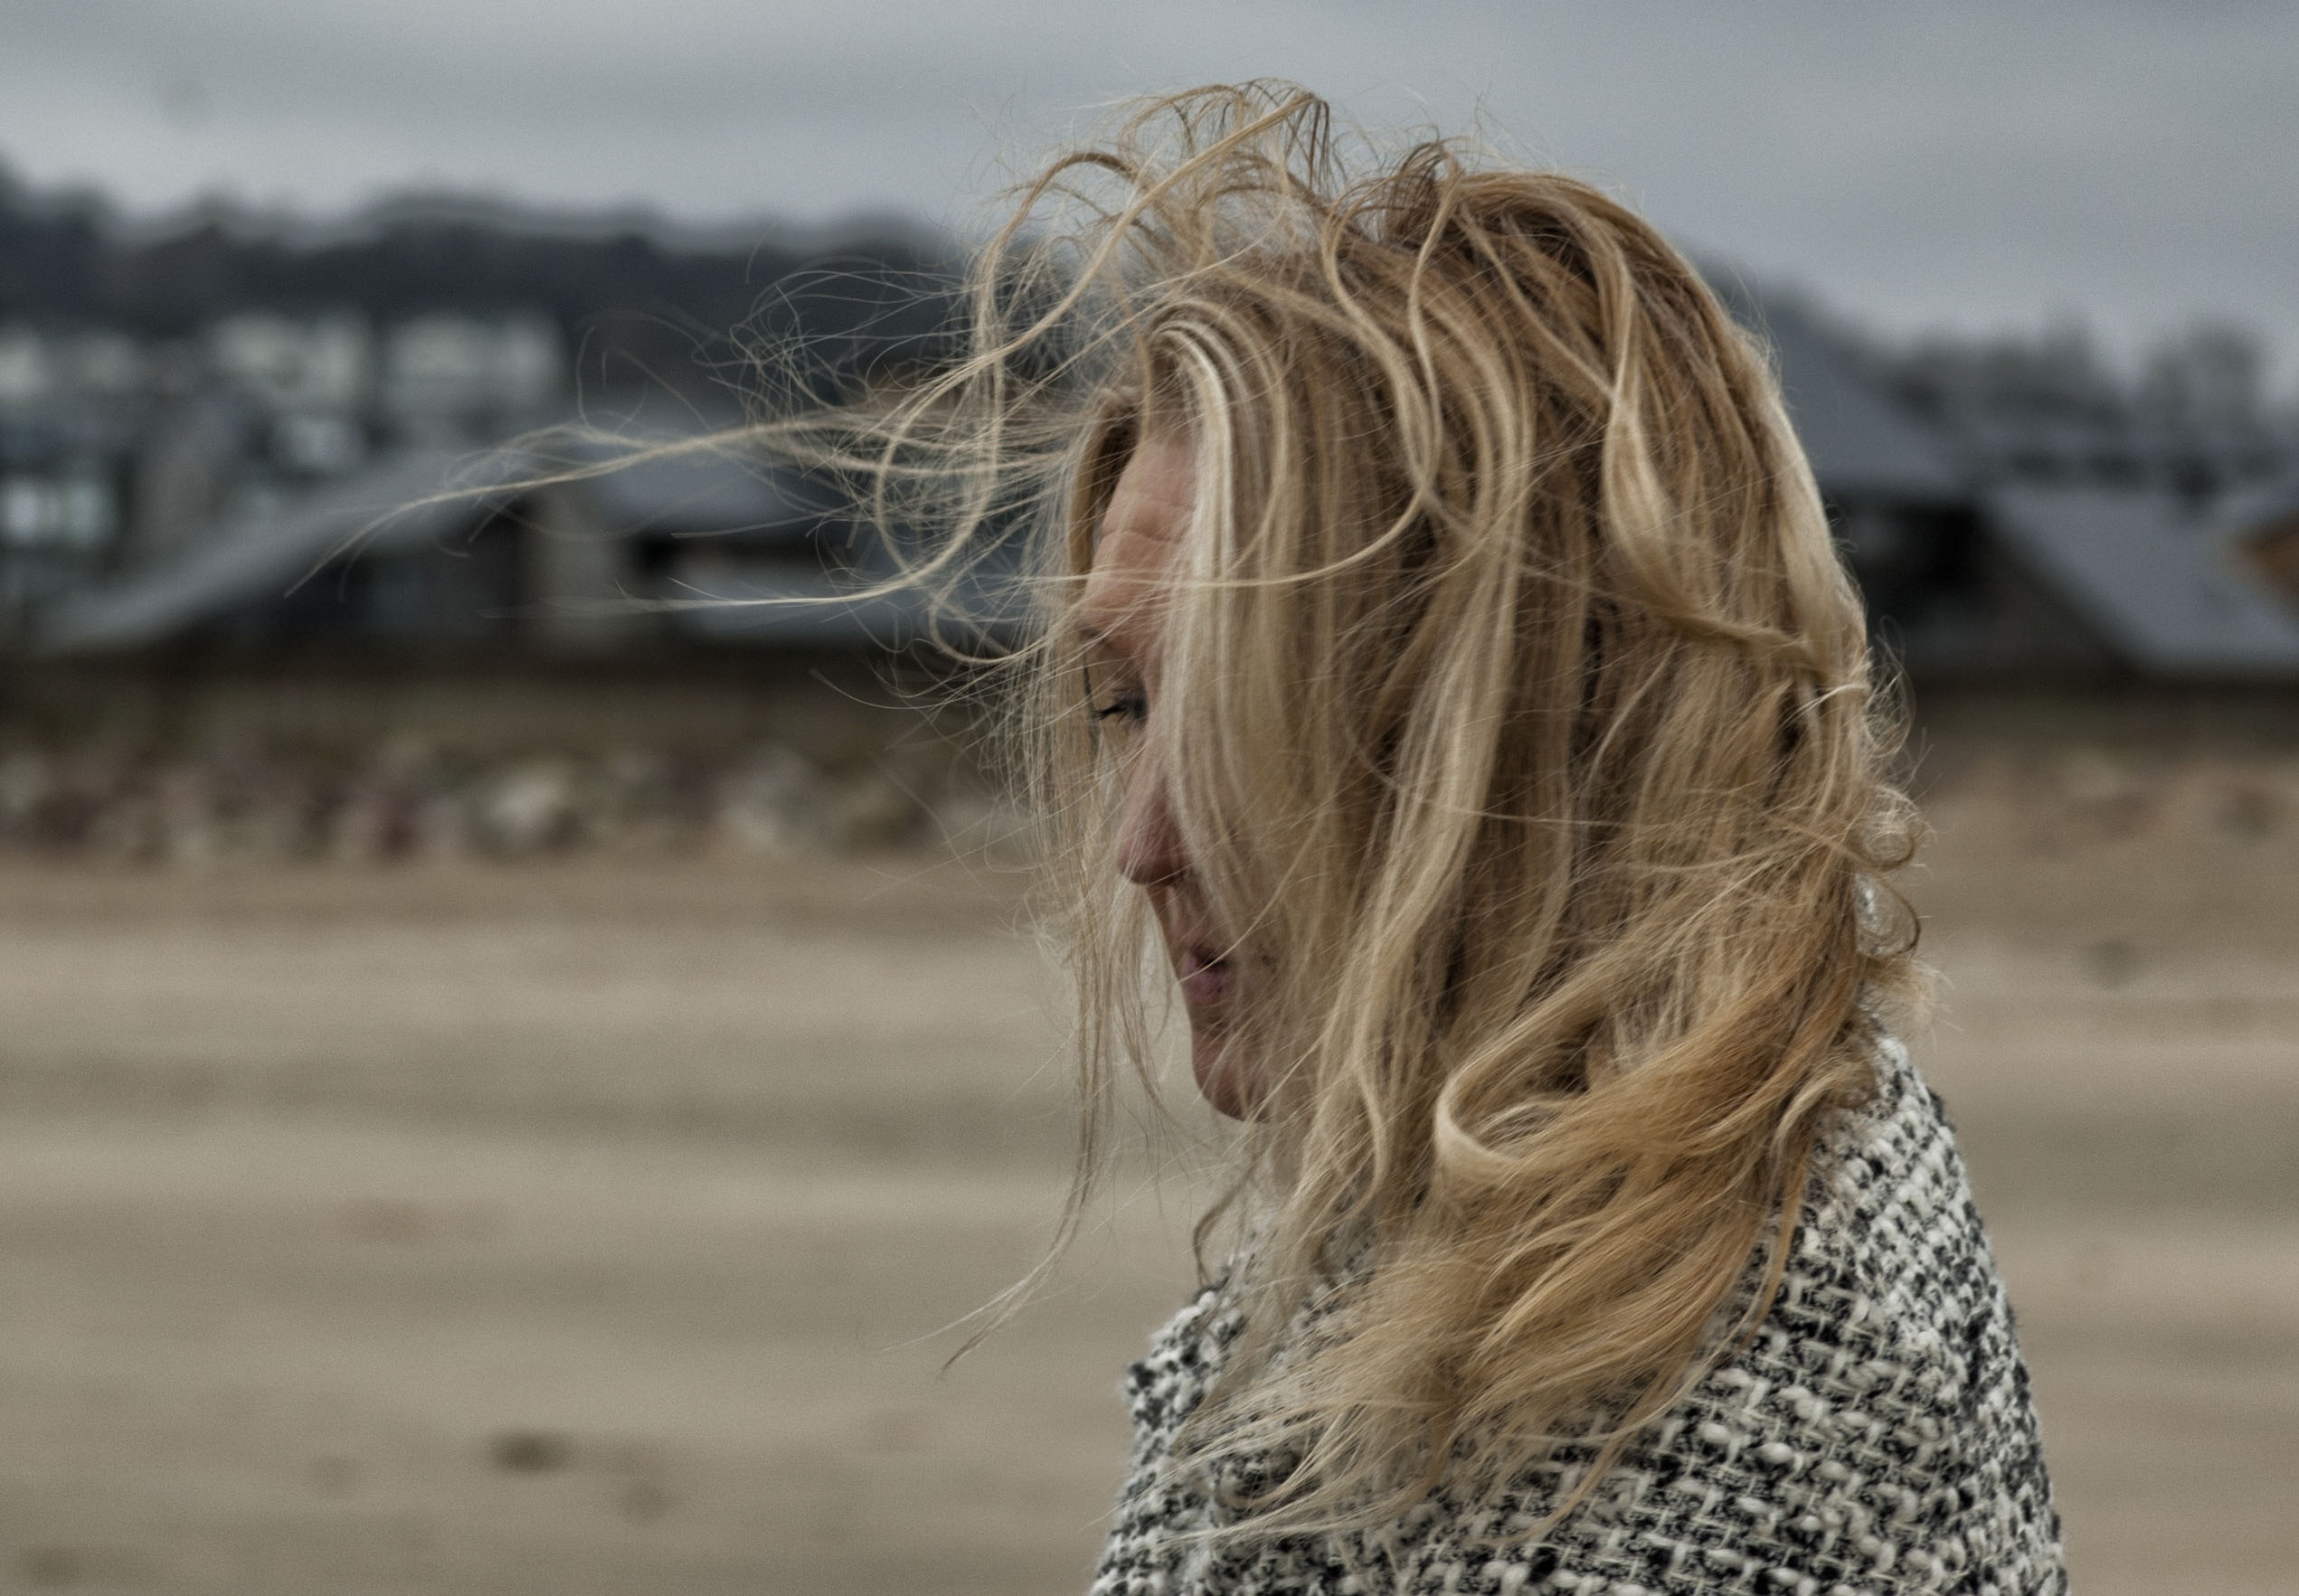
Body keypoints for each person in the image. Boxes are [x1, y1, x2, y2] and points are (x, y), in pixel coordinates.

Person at [792, 82, 2067, 1594]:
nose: (1137, 847)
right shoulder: (1711, 1167)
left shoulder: (1639, 1436)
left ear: (1540, 727)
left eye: (1237, 729)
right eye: (1126, 708)